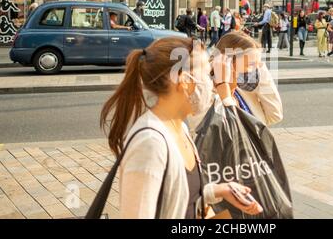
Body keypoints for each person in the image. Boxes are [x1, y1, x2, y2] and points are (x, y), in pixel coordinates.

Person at [100, 37, 263, 219]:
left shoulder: (180, 128)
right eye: (207, 73)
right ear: (184, 80)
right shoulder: (150, 144)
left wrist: (217, 190)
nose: (211, 84)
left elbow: (179, 195)